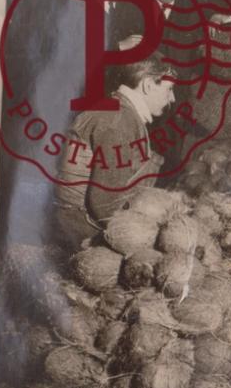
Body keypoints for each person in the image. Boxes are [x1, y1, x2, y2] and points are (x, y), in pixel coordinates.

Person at [52, 57, 180, 248]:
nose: (173, 98)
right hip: (80, 230)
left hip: (70, 221)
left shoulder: (118, 109)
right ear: (147, 85)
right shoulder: (120, 120)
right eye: (169, 90)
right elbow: (104, 204)